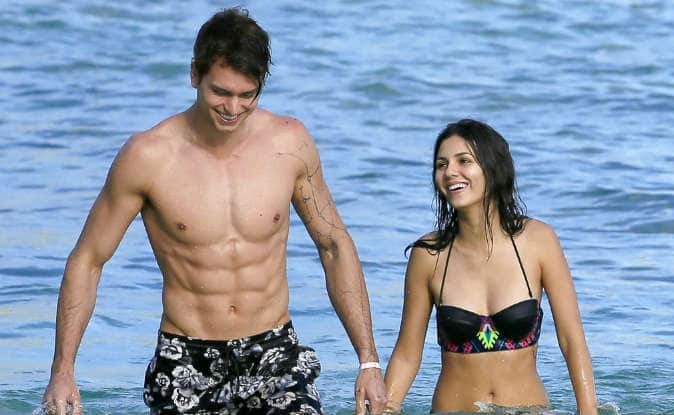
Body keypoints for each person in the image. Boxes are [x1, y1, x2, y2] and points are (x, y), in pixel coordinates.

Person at [42, 7, 386, 415]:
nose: (233, 108)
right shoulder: (148, 156)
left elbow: (333, 245)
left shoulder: (290, 144)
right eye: (220, 92)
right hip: (186, 358)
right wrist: (63, 370)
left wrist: (368, 361)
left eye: (247, 95)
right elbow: (88, 259)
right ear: (194, 75)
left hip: (274, 352)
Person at [383, 119, 598, 414]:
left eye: (464, 161)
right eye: (441, 164)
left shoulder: (538, 241)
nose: (450, 172)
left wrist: (589, 410)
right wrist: (385, 408)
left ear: (492, 167)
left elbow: (571, 340)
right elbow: (407, 355)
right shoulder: (429, 254)